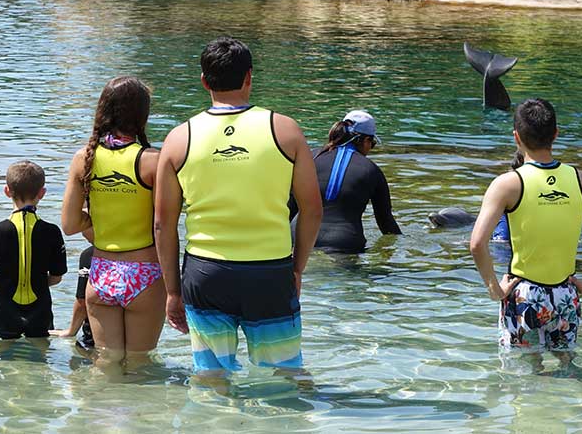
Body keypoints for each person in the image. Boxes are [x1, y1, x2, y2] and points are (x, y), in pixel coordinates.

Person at [155, 37, 323, 374]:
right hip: (270, 270)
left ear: (203, 81)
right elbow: (312, 209)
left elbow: (163, 224)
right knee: (284, 373)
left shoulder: (178, 138)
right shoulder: (285, 130)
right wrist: (297, 269)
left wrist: (173, 291)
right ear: (249, 77)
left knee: (211, 375)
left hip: (206, 274)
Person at [470, 98, 582, 355]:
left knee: (520, 377)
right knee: (567, 370)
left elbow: (477, 243)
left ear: (516, 137)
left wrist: (494, 289)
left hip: (524, 295)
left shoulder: (508, 184)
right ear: (555, 134)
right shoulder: (581, 180)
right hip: (566, 295)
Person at [60, 76, 164, 367]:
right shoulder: (153, 160)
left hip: (102, 273)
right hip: (145, 274)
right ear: (142, 115)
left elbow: (69, 224)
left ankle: (95, 410)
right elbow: (162, 226)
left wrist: (102, 223)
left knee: (106, 366)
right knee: (140, 367)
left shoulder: (84, 158)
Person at [0, 160, 66, 340]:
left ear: (7, 191)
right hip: (41, 312)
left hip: (5, 311)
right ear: (42, 193)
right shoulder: (52, 231)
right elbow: (56, 278)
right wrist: (38, 284)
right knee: (41, 363)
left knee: (5, 363)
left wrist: (6, 287)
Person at [292, 110, 400, 254]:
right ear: (366, 140)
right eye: (372, 143)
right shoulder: (372, 171)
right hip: (345, 244)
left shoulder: (310, 157)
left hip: (297, 237)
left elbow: (289, 206)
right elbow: (385, 223)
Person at [51, 240, 96, 350]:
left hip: (95, 338)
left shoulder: (90, 254)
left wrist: (71, 331)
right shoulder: (141, 253)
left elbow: (82, 300)